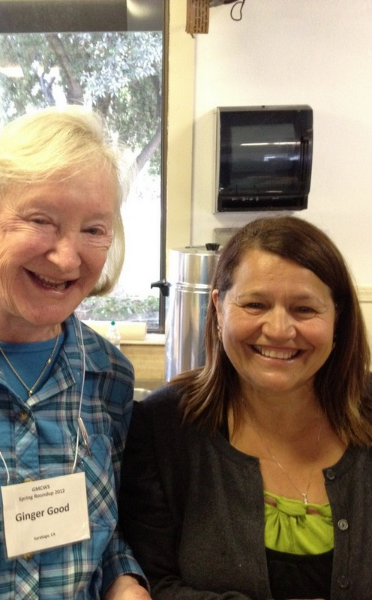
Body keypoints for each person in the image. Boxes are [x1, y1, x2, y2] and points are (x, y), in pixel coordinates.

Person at [0, 106, 151, 600]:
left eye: (93, 229)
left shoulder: (108, 376)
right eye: (40, 221)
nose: (67, 259)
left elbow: (107, 531)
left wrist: (124, 581)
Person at [119, 216, 372, 600]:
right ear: (219, 309)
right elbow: (152, 583)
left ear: (338, 318)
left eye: (304, 309)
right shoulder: (162, 427)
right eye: (255, 304)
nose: (279, 330)